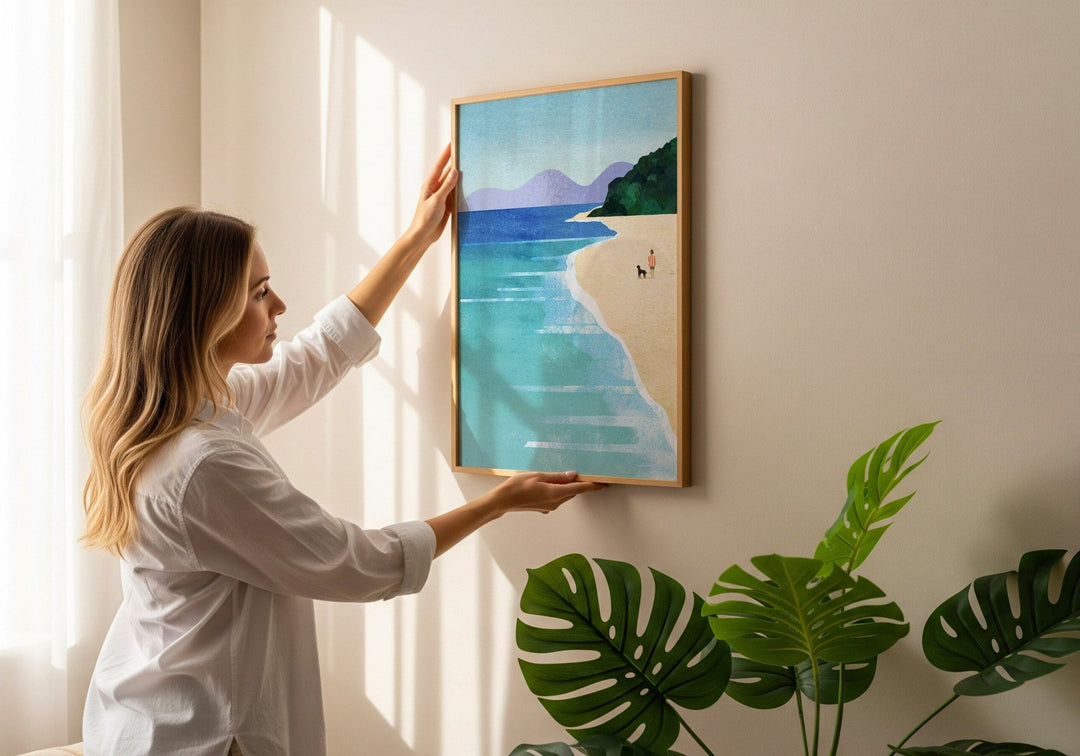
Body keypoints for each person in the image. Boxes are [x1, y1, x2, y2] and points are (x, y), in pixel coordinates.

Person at [79, 145, 605, 756]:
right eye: (258, 293)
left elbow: (314, 358)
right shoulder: (202, 463)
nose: (277, 306)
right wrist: (498, 503)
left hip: (146, 716)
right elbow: (357, 563)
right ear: (204, 313)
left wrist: (415, 240)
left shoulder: (176, 411)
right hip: (206, 734)